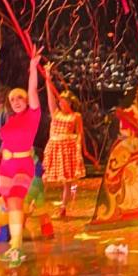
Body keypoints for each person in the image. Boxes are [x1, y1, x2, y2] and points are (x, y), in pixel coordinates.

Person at [0, 49, 42, 266]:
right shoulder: (10, 120)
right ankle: (20, 229)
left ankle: (16, 247)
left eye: (20, 98)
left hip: (23, 165)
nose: (16, 101)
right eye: (13, 99)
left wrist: (32, 68)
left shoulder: (33, 115)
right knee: (10, 205)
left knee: (14, 200)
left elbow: (32, 89)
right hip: (5, 168)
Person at [41, 69, 85, 219]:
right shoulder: (56, 113)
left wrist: (78, 149)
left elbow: (79, 134)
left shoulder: (75, 116)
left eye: (64, 102)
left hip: (67, 149)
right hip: (54, 147)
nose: (61, 104)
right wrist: (47, 78)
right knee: (45, 177)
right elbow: (50, 98)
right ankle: (34, 202)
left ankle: (63, 207)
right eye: (60, 102)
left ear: (70, 103)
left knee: (67, 181)